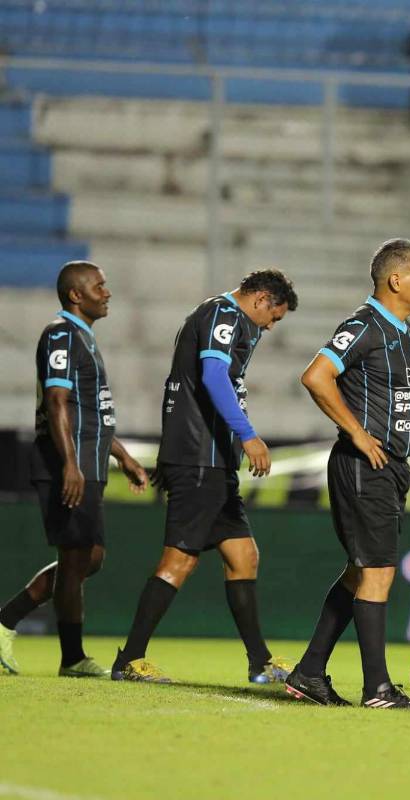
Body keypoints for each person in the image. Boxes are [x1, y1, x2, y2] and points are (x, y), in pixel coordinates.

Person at [110, 269, 297, 684]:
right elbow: (212, 376)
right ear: (262, 298)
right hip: (200, 459)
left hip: (208, 460)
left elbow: (184, 386)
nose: (270, 326)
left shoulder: (216, 316)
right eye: (274, 316)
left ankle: (259, 662)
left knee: (243, 555)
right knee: (179, 560)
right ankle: (129, 659)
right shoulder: (224, 316)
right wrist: (248, 436)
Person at [284, 239, 410, 710]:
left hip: (389, 467)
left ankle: (309, 672)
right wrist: (358, 434)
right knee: (377, 573)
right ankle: (378, 689)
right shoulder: (364, 325)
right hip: (365, 465)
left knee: (360, 572)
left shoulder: (399, 329)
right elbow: (316, 375)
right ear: (396, 280)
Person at [0, 262, 147, 677]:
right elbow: (58, 402)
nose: (108, 292)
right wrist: (69, 464)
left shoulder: (82, 337)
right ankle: (70, 657)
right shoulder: (61, 334)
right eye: (99, 286)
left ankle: (9, 621)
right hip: (68, 463)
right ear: (76, 296)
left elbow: (89, 415)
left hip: (87, 459)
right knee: (77, 554)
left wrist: (121, 455)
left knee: (88, 557)